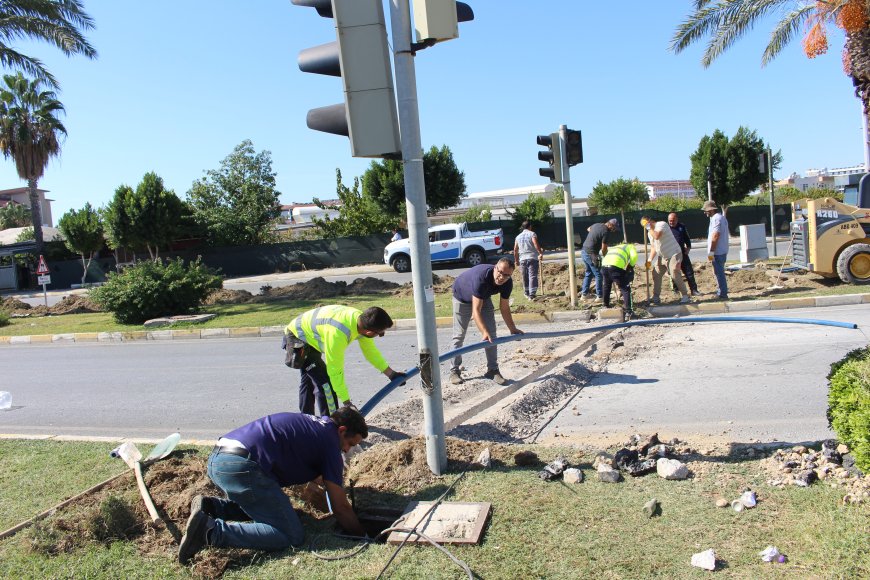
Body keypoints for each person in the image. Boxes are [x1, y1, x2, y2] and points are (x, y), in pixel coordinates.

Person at [178, 408, 368, 564]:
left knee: (268, 507)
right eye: (350, 443)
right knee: (291, 534)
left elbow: (317, 475)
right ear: (342, 430)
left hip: (220, 459)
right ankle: (210, 531)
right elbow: (341, 508)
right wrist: (364, 536)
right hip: (243, 468)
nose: (347, 450)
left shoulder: (316, 426)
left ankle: (212, 508)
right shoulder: (330, 443)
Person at [284, 306, 405, 416]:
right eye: (381, 333)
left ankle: (306, 419)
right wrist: (347, 402)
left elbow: (370, 352)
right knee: (326, 385)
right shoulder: (338, 335)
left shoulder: (359, 319)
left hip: (309, 335)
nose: (381, 335)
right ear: (369, 332)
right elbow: (335, 370)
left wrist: (391, 374)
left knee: (309, 380)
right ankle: (331, 425)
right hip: (298, 337)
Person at [449, 258, 523, 385]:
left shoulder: (507, 283)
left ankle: (492, 370)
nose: (502, 277)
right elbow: (476, 311)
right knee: (459, 335)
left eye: (506, 275)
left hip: (483, 296)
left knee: (492, 334)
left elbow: (504, 307)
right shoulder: (481, 277)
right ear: (495, 268)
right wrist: (484, 332)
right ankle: (454, 371)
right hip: (462, 296)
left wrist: (512, 328)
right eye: (500, 272)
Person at [641, 216, 691, 305]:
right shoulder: (650, 233)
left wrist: (648, 227)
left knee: (674, 273)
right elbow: (654, 247)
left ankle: (685, 296)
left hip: (674, 254)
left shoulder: (661, 224)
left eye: (645, 224)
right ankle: (656, 297)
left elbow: (657, 236)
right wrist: (649, 260)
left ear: (649, 221)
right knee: (656, 273)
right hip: (663, 256)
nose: (644, 227)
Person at [581, 218, 620, 301]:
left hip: (584, 251)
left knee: (589, 273)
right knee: (599, 275)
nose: (614, 230)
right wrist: (607, 257)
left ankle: (584, 295)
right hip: (592, 254)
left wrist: (595, 235)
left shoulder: (597, 224)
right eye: (614, 227)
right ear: (610, 225)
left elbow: (588, 229)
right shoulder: (606, 232)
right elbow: (604, 249)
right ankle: (600, 296)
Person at [601, 242, 638, 321]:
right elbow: (634, 256)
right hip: (615, 267)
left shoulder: (615, 247)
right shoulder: (630, 246)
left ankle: (605, 305)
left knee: (607, 286)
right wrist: (630, 266)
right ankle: (629, 312)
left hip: (604, 266)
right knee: (625, 288)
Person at [667, 212, 699, 295]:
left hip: (682, 253)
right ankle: (676, 290)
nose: (671, 222)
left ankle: (694, 290)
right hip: (672, 254)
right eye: (670, 221)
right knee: (674, 273)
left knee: (689, 272)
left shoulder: (681, 227)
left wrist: (688, 247)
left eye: (673, 220)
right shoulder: (666, 229)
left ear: (677, 219)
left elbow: (686, 238)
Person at [703, 200, 729, 300]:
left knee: (719, 272)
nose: (704, 212)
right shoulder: (720, 218)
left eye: (706, 210)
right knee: (718, 272)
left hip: (717, 252)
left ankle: (722, 293)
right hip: (721, 251)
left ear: (711, 210)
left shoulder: (716, 219)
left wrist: (711, 252)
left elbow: (715, 236)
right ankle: (721, 291)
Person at [513, 220, 544, 300]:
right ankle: (532, 294)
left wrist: (516, 260)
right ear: (530, 226)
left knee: (524, 276)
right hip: (532, 257)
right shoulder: (532, 234)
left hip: (522, 259)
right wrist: (540, 253)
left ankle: (526, 292)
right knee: (532, 275)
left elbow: (515, 249)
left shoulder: (518, 236)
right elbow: (535, 244)